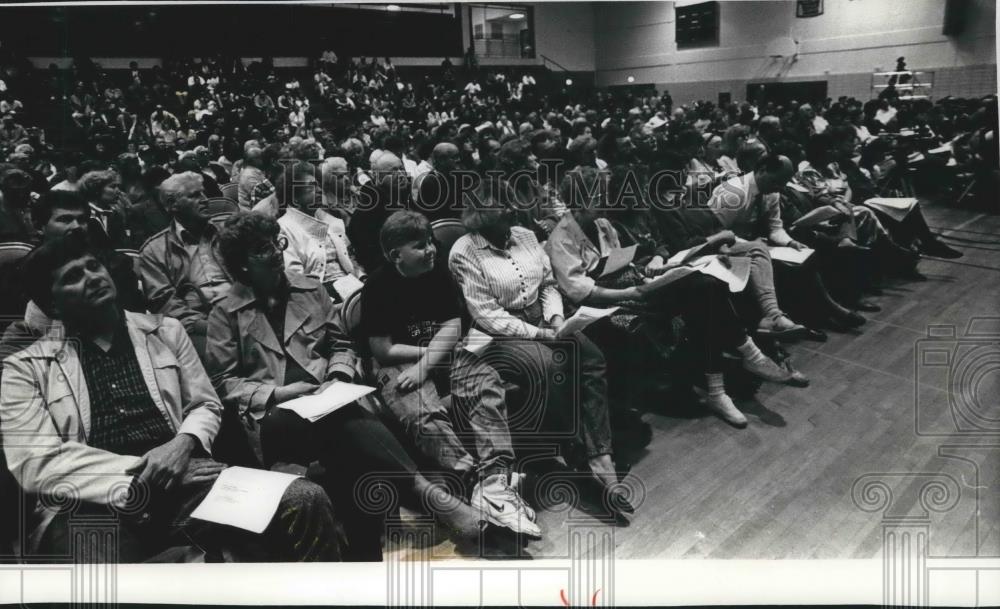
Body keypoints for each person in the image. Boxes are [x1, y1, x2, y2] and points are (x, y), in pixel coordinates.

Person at [1, 233, 342, 562]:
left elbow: (205, 404)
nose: (92, 277)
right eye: (73, 277)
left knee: (304, 498)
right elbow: (37, 464)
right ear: (52, 304)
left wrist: (184, 442)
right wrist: (149, 473)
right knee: (111, 588)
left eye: (93, 266)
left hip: (188, 485)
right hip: (90, 501)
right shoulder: (25, 368)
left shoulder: (166, 331)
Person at [205, 212, 483, 560]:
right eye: (262, 249)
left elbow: (341, 344)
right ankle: (429, 493)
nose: (277, 252)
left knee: (347, 451)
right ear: (242, 265)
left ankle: (371, 552)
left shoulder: (310, 289)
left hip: (328, 399)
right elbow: (223, 382)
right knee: (344, 422)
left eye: (277, 241)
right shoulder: (224, 314)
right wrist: (279, 393)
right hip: (273, 417)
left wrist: (338, 376)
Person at [547, 167, 806, 429]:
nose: (605, 203)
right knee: (702, 291)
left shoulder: (602, 224)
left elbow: (621, 261)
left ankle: (724, 384)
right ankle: (744, 361)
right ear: (578, 202)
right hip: (600, 303)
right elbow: (579, 290)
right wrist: (632, 291)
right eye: (598, 198)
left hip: (629, 286)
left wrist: (648, 278)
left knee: (707, 287)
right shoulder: (561, 237)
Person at [449, 183, 634, 515]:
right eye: (504, 209)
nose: (515, 213)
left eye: (513, 206)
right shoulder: (463, 251)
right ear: (481, 217)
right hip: (497, 334)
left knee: (591, 359)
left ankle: (600, 454)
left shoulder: (524, 235)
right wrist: (539, 333)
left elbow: (547, 284)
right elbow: (487, 314)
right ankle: (578, 455)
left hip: (541, 317)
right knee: (553, 365)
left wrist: (556, 317)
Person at [361, 210, 541, 537]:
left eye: (431, 241)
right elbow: (383, 350)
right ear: (395, 256)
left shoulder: (437, 273)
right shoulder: (376, 287)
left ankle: (496, 480)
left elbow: (452, 326)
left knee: (485, 384)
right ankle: (477, 481)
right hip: (397, 361)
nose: (431, 249)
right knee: (422, 411)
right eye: (420, 246)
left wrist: (429, 362)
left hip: (437, 353)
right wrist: (428, 360)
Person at [139, 171, 232, 358]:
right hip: (199, 324)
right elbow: (166, 303)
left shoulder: (228, 232)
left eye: (203, 193)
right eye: (194, 195)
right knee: (218, 357)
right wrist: (207, 326)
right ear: (172, 205)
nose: (205, 199)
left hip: (244, 312)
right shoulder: (154, 250)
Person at [274, 160, 360, 296]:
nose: (320, 190)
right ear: (294, 195)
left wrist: (362, 277)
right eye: (312, 186)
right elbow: (295, 277)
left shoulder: (331, 220)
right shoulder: (283, 228)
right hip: (318, 293)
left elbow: (350, 257)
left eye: (319, 185)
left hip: (349, 284)